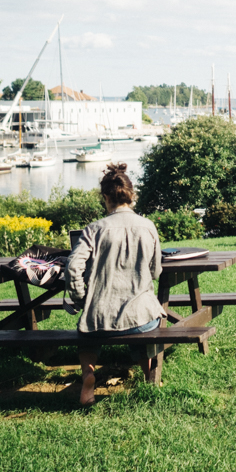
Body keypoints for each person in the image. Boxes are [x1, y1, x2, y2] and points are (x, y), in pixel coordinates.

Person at [67, 163, 166, 405]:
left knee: (86, 336)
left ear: (106, 197)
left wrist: (81, 298)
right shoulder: (148, 226)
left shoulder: (93, 229)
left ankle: (88, 378)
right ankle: (148, 375)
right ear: (131, 195)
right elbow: (156, 272)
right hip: (140, 319)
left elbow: (72, 267)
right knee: (146, 320)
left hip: (99, 321)